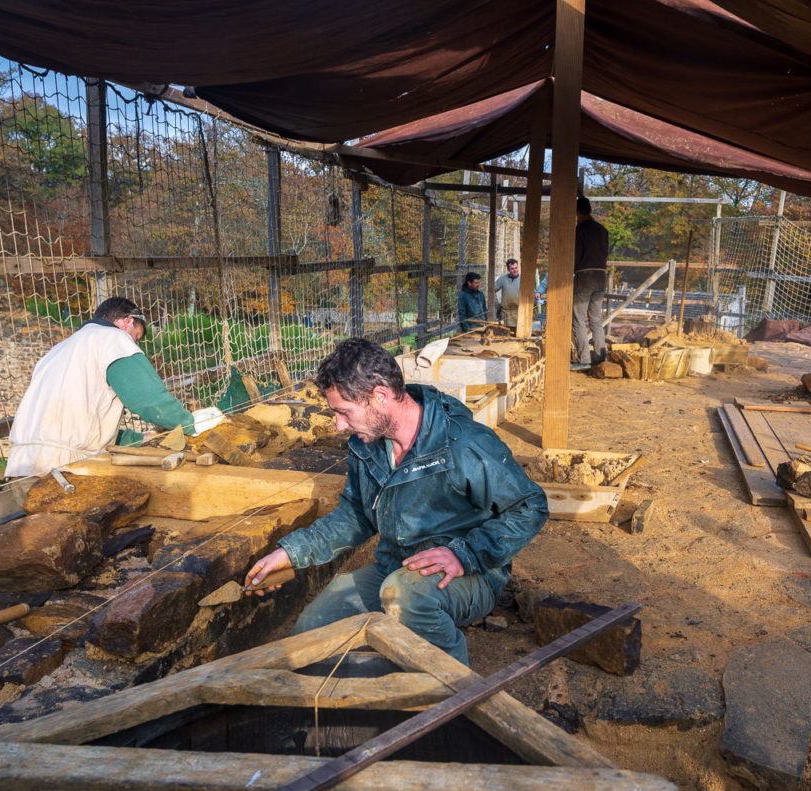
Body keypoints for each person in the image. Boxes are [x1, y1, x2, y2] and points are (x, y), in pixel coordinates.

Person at [245, 338, 548, 664]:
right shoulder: (367, 445)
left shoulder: (463, 443)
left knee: (405, 595)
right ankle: (359, 703)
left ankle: (449, 698)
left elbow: (530, 506)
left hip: (468, 574)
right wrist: (291, 552)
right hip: (395, 567)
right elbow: (356, 515)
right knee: (309, 634)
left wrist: (467, 553)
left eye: (344, 413)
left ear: (379, 396)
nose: (338, 425)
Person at [5, 297, 212, 478]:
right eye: (136, 337)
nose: (134, 344)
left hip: (20, 466)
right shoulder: (113, 339)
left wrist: (138, 439)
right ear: (127, 321)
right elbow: (150, 400)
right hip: (67, 468)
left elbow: (81, 420)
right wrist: (190, 423)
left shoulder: (58, 350)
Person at [572, 196, 610, 368]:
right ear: (590, 210)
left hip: (585, 277)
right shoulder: (603, 231)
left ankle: (584, 360)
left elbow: (575, 257)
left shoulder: (579, 230)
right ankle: (601, 358)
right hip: (601, 277)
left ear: (577, 212)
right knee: (595, 319)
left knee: (578, 318)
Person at [494, 258, 522, 328]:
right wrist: (497, 304)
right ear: (508, 269)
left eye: (516, 268)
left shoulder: (523, 279)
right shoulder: (503, 279)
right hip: (506, 312)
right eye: (512, 269)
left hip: (519, 312)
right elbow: (492, 290)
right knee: (504, 333)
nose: (515, 270)